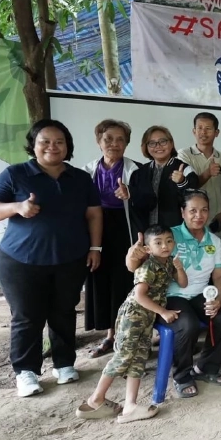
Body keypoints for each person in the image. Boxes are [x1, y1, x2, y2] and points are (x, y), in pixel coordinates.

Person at [0, 119, 103, 398]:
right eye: (45, 141)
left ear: (67, 146)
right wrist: (18, 207)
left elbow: (94, 214)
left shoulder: (80, 178)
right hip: (20, 261)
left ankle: (64, 364)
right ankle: (26, 371)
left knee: (64, 312)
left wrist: (95, 248)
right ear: (33, 145)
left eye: (59, 142)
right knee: (27, 316)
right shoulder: (16, 174)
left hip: (70, 259)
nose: (52, 147)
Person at [127, 190, 221, 398]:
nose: (199, 215)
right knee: (187, 324)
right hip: (170, 295)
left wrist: (220, 297)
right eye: (192, 210)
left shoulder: (214, 240)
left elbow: (220, 275)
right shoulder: (168, 236)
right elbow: (135, 267)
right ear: (183, 212)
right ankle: (182, 375)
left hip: (200, 293)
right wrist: (132, 256)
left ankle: (205, 367)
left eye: (204, 210)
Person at [76, 225, 187, 423]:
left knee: (138, 359)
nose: (165, 246)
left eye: (169, 241)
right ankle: (95, 400)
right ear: (148, 248)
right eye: (158, 242)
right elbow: (139, 296)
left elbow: (183, 283)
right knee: (123, 356)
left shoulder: (169, 262)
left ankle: (130, 406)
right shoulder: (148, 266)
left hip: (146, 319)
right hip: (134, 316)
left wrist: (179, 267)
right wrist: (163, 312)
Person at [82, 119, 142, 358]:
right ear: (99, 142)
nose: (114, 144)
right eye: (108, 139)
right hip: (96, 232)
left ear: (126, 144)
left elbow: (147, 202)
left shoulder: (136, 170)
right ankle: (110, 335)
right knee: (101, 281)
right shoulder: (86, 171)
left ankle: (128, 335)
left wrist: (130, 194)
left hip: (125, 232)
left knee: (123, 283)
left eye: (120, 140)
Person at [129, 126, 198, 229]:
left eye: (163, 141)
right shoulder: (139, 173)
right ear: (146, 147)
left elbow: (194, 200)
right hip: (147, 232)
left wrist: (182, 182)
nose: (158, 146)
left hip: (176, 231)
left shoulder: (185, 169)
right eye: (152, 143)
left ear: (171, 143)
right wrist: (128, 193)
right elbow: (136, 206)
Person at [177, 112, 221, 232]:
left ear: (216, 132)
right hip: (192, 219)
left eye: (208, 128)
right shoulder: (184, 155)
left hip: (216, 219)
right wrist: (208, 173)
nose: (203, 132)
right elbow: (187, 187)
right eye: (199, 128)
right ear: (194, 131)